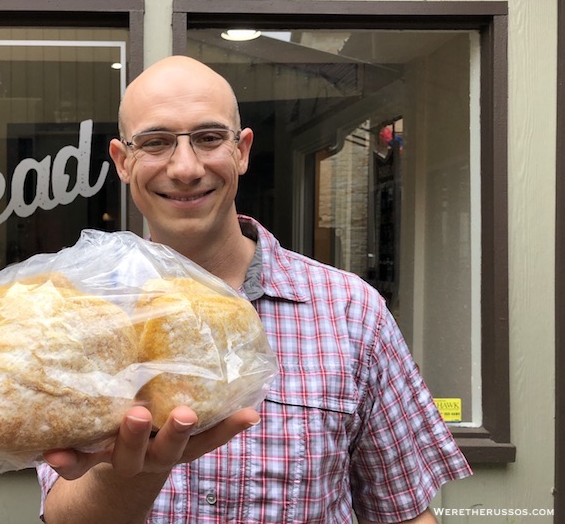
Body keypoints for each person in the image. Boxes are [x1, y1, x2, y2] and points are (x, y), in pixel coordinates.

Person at [36, 55, 472, 523]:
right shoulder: (81, 315)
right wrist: (137, 469)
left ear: (242, 150)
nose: (185, 168)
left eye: (208, 138)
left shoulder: (349, 310)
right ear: (123, 161)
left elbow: (402, 513)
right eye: (156, 142)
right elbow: (65, 517)